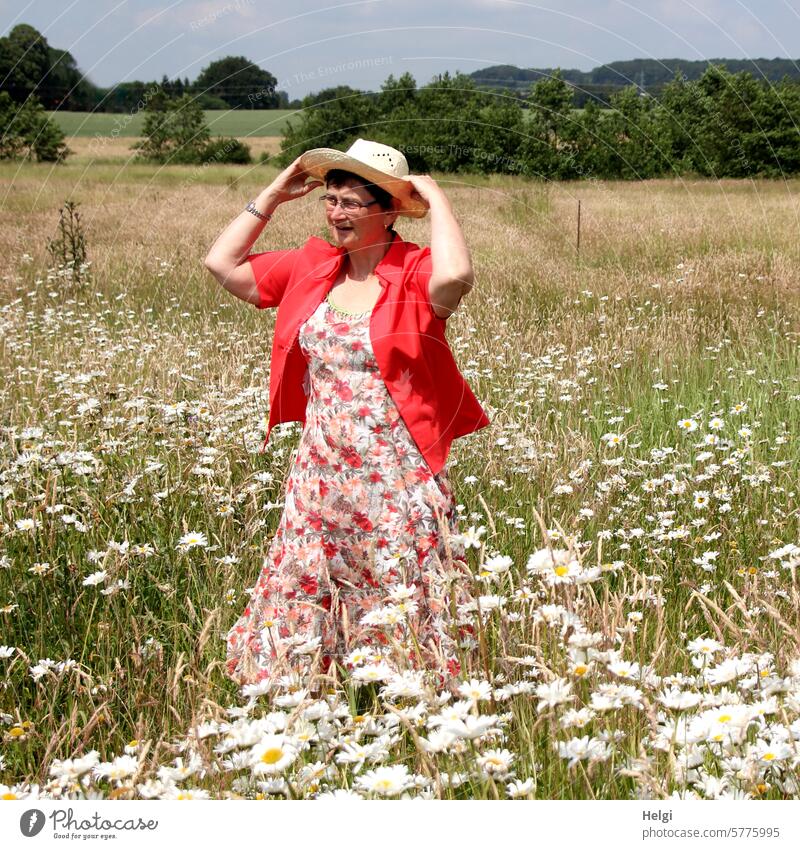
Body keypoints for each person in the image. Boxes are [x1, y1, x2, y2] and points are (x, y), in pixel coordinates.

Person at [204, 139, 490, 695]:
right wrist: (272, 196)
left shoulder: (414, 272)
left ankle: (411, 686)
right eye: (331, 200)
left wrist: (435, 198)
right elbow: (222, 264)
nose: (337, 212)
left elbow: (457, 276)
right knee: (312, 573)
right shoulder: (313, 269)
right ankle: (309, 682)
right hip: (321, 466)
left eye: (352, 202)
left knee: (400, 575)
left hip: (397, 468)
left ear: (386, 211)